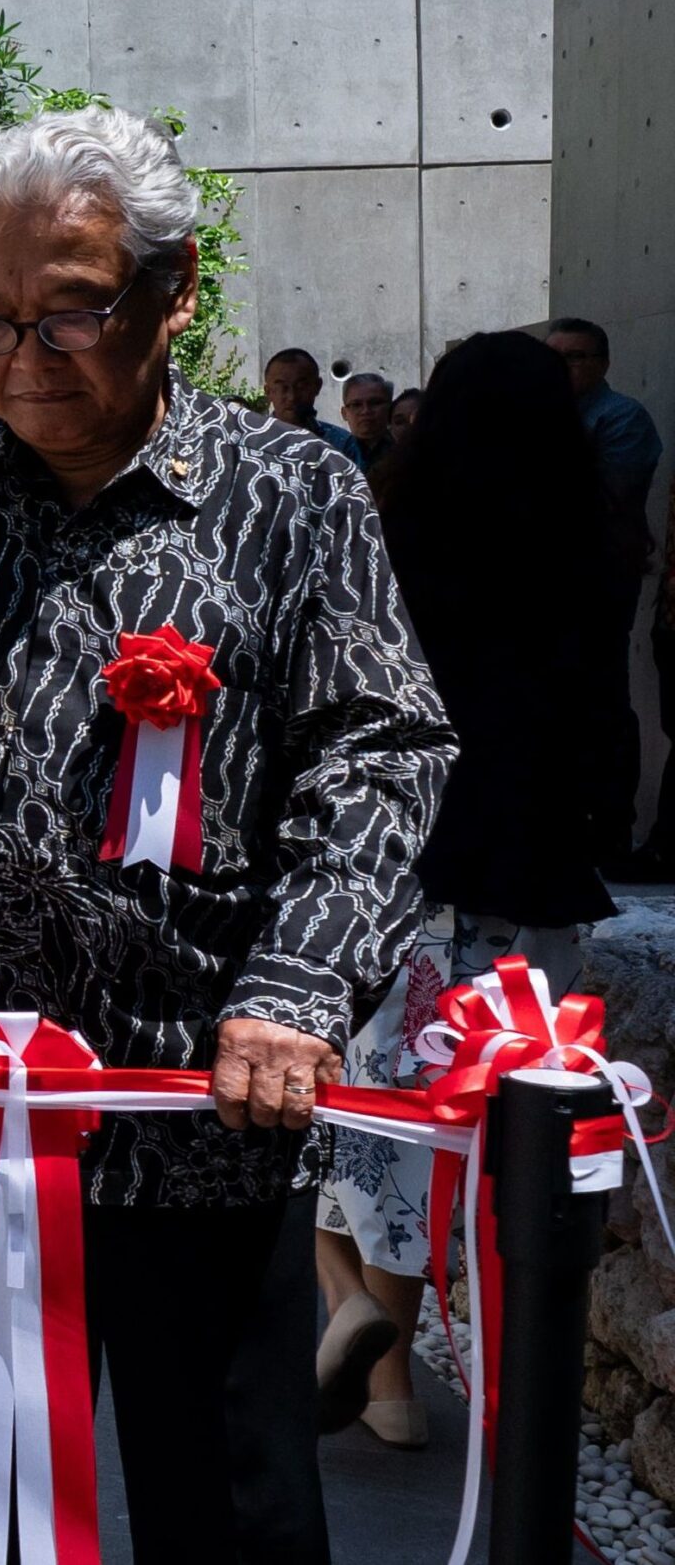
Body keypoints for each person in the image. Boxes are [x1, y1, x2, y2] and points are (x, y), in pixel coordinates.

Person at [0, 107, 453, 1565]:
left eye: (70, 311)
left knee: (231, 1502)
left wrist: (298, 987)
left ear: (173, 288)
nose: (26, 356)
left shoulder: (291, 494)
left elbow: (382, 749)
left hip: (200, 1109)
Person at [315, 332, 616, 1448]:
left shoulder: (391, 531)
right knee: (473, 1140)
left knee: (347, 1117)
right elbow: (598, 726)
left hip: (402, 872)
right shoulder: (590, 540)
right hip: (533, 887)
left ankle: (360, 1330)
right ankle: (414, 1381)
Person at [550, 317, 664, 876]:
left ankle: (611, 831)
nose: (564, 368)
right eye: (556, 357)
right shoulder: (540, 418)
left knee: (602, 708)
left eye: (576, 357)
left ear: (602, 363)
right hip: (544, 588)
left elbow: (602, 500)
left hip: (596, 585)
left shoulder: (622, 418)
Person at [262, 346, 363, 460]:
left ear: (317, 386)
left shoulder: (341, 443)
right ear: (268, 392)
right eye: (283, 388)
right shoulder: (251, 442)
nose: (292, 397)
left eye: (301, 387)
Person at [338, 370, 394, 469]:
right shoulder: (333, 454)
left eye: (375, 403)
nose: (366, 411)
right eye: (356, 405)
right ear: (344, 413)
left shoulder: (405, 450)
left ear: (390, 408)